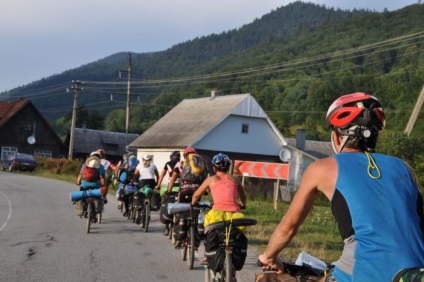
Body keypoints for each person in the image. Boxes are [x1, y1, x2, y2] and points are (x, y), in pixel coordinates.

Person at [258, 92, 424, 281]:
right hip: (414, 273)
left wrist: (269, 256)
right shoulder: (405, 168)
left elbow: (289, 227)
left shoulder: (322, 168)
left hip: (365, 271)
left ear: (337, 138)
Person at [191, 152, 247, 265]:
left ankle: (208, 255)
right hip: (234, 214)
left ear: (214, 167)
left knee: (208, 230)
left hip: (217, 213)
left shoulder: (211, 179)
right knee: (237, 235)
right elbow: (243, 196)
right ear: (228, 167)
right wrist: (243, 204)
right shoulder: (235, 180)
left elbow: (196, 195)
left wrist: (193, 203)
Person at [76, 151, 107, 222]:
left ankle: (82, 210)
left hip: (84, 185)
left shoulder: (85, 165)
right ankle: (96, 211)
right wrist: (103, 185)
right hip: (96, 186)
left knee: (82, 197)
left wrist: (78, 182)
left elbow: (80, 175)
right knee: (98, 198)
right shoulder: (101, 166)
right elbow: (102, 177)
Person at [155, 150, 181, 236]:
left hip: (171, 187)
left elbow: (162, 175)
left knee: (167, 203)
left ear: (171, 157)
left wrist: (158, 185)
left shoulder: (168, 163)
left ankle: (167, 228)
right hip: (181, 188)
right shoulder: (182, 164)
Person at [130, 154, 159, 225]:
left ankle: (139, 214)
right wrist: (158, 184)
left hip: (142, 183)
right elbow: (157, 175)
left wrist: (132, 182)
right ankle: (149, 210)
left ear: (143, 160)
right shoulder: (153, 165)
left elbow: (135, 175)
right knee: (150, 193)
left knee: (140, 194)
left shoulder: (139, 165)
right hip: (151, 182)